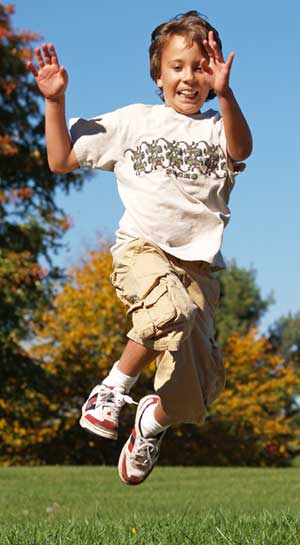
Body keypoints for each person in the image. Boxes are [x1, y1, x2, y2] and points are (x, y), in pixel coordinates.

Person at [28, 10, 252, 485]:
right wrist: (56, 102)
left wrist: (228, 94)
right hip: (142, 251)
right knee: (172, 311)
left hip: (199, 270)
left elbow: (241, 149)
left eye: (199, 67)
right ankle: (112, 388)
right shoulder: (135, 122)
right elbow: (61, 159)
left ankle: (151, 422)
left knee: (197, 396)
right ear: (158, 74)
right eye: (177, 67)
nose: (189, 78)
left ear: (213, 75)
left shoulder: (216, 127)